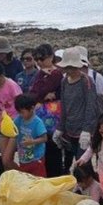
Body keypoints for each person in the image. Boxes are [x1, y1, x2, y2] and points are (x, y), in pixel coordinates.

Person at [54, 47, 98, 171]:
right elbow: (63, 105)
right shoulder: (64, 81)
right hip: (69, 129)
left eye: (72, 67)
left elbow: (91, 106)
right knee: (67, 162)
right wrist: (60, 128)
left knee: (82, 164)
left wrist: (87, 130)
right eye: (67, 67)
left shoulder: (87, 81)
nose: (69, 70)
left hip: (83, 130)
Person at [29, 43, 65, 177]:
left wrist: (41, 95)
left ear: (51, 57)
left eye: (42, 59)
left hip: (52, 119)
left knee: (52, 152)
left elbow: (35, 93)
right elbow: (32, 94)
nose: (39, 62)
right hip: (45, 117)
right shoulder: (43, 73)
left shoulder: (55, 74)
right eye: (37, 60)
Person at [8, 94, 47, 177]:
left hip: (36, 159)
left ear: (32, 108)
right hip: (23, 158)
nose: (21, 115)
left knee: (38, 180)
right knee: (26, 180)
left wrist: (32, 141)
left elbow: (44, 138)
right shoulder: (19, 119)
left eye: (22, 112)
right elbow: (13, 128)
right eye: (19, 112)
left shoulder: (37, 122)